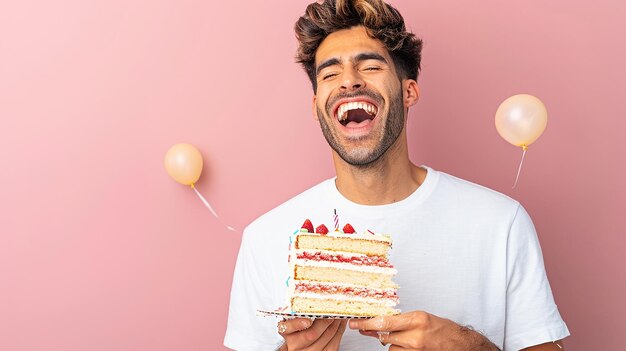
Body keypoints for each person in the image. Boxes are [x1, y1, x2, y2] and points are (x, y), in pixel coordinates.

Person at [224, 0, 569, 350]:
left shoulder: (501, 222)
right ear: (317, 107)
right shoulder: (265, 238)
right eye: (330, 74)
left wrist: (469, 346)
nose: (348, 81)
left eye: (370, 66)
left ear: (408, 92)